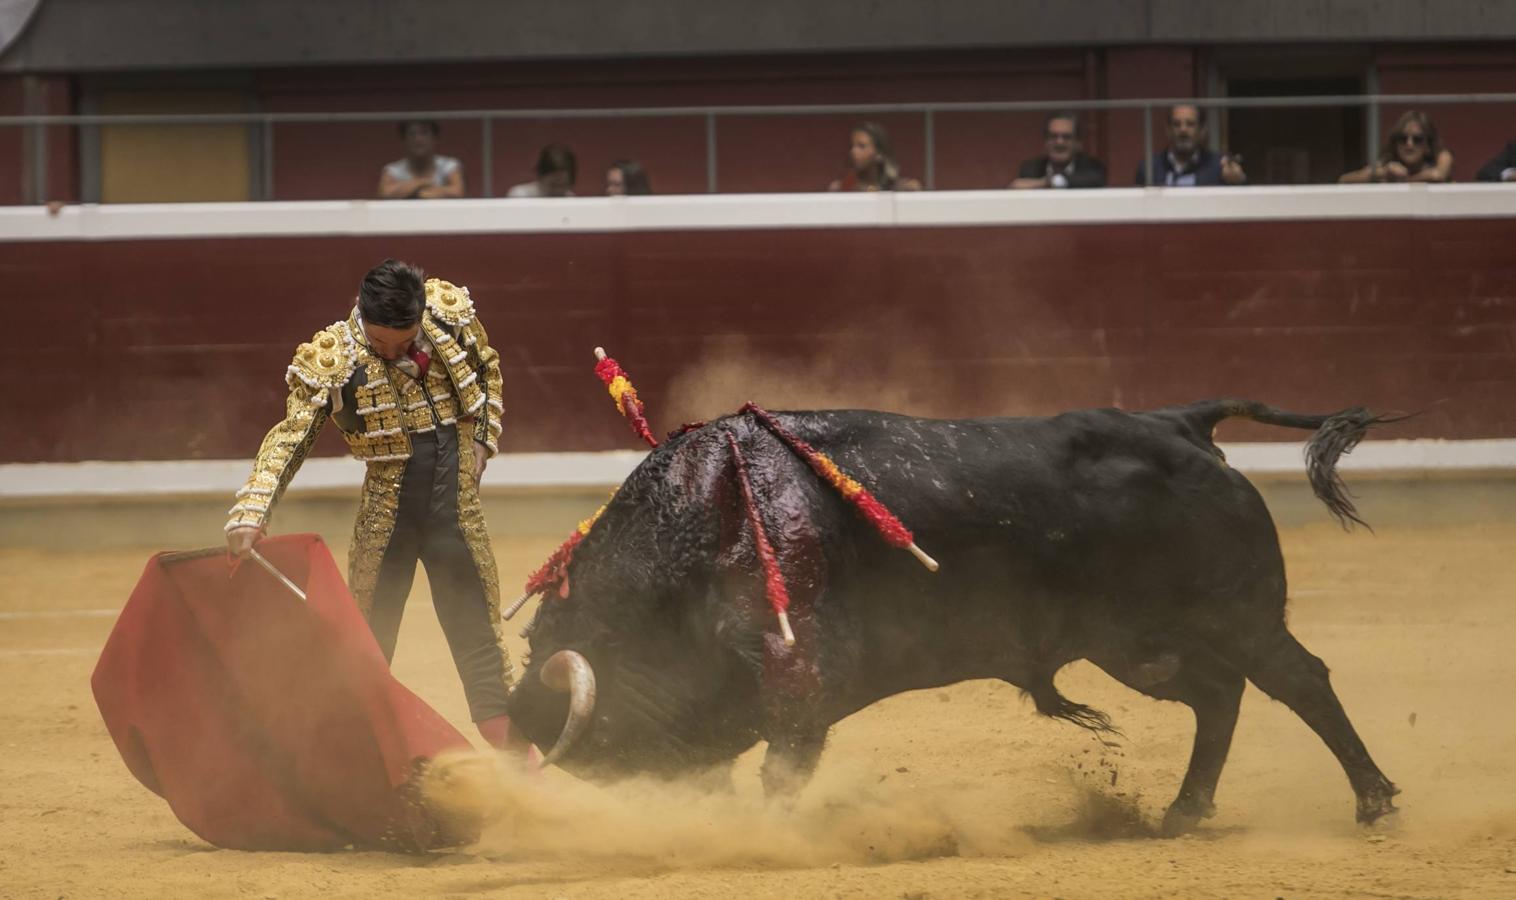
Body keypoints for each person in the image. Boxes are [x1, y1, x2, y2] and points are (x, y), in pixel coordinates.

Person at [226, 259, 528, 758]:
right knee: (368, 644)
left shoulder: (449, 316)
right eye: (382, 344)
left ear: (421, 316)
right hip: (387, 518)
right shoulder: (334, 358)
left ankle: (528, 779)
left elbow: (487, 372)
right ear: (362, 316)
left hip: (456, 512)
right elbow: (289, 438)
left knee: (481, 644)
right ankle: (351, 768)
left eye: (405, 344)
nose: (393, 354)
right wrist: (253, 510)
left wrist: (482, 440)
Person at [1136, 104, 1246, 186]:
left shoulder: (1218, 167)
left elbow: (1246, 203)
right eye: (1176, 124)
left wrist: (1240, 181)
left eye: (1190, 124)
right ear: (1168, 130)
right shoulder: (1149, 168)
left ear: (1202, 130)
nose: (1183, 130)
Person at [1340, 111, 1454, 184]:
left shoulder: (1441, 155)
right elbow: (1345, 180)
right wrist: (1384, 173)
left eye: (1417, 139)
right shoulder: (1388, 162)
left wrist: (1402, 181)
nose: (1409, 144)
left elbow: (1437, 176)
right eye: (1403, 138)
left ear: (1428, 145)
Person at [1010, 111, 1108, 189]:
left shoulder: (1093, 168)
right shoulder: (1031, 168)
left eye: (1066, 137)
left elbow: (1093, 181)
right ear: (1046, 141)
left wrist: (1049, 182)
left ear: (1078, 143)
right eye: (1053, 136)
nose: (1059, 142)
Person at [377, 120, 465, 199]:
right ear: (404, 139)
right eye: (412, 134)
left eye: (424, 133)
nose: (418, 139)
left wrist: (410, 192)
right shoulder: (393, 170)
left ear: (434, 138)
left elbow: (458, 192)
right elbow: (383, 194)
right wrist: (421, 182)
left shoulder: (448, 165)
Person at [828, 121, 922, 192]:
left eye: (861, 146)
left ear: (879, 154)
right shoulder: (841, 189)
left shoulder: (903, 188)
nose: (853, 151)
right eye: (852, 146)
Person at [507, 144, 577, 197]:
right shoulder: (521, 195)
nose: (557, 191)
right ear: (541, 177)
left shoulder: (570, 199)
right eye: (554, 185)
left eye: (562, 185)